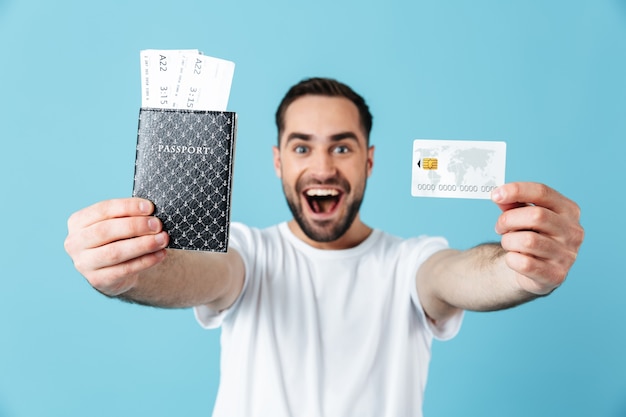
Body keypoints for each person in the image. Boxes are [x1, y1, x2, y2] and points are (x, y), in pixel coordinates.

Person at [64, 77, 584, 416]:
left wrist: (518, 270)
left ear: (369, 162)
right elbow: (199, 273)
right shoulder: (247, 252)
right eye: (301, 147)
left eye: (342, 146)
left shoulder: (410, 263)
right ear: (277, 162)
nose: (323, 167)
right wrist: (129, 272)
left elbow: (457, 274)